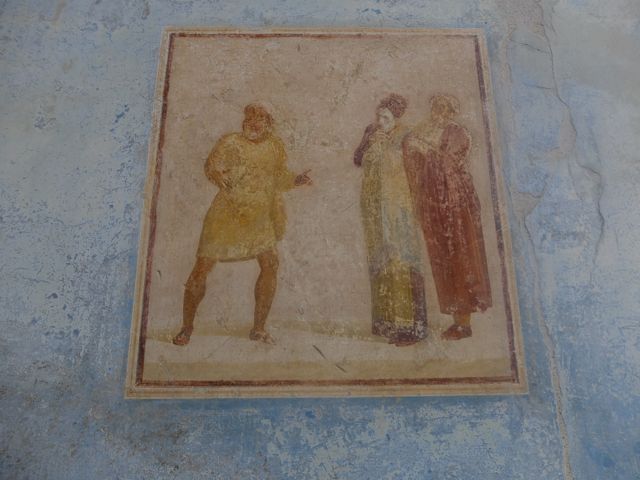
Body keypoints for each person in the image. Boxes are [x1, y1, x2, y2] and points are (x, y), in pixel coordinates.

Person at [172, 103, 312, 346]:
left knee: (270, 263)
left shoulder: (274, 146)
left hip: (259, 219)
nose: (253, 124)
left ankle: (258, 329)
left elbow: (278, 177)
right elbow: (211, 166)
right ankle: (186, 328)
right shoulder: (231, 142)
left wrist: (297, 180)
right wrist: (217, 174)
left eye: (259, 120)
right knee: (202, 267)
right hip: (227, 217)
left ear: (268, 124)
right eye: (249, 119)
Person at [403, 94, 492, 340]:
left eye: (444, 109)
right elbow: (417, 165)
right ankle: (457, 320)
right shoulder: (427, 130)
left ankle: (464, 323)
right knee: (443, 260)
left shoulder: (458, 133)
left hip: (456, 207)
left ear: (452, 112)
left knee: (461, 259)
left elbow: (450, 164)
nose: (438, 113)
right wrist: (412, 149)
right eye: (435, 108)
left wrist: (424, 149)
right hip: (435, 205)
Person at [354, 94, 428, 346]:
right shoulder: (371, 131)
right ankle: (385, 321)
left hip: (399, 206)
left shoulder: (407, 135)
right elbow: (357, 159)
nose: (380, 120)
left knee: (402, 259)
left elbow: (420, 166)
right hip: (374, 206)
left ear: (397, 116)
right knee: (380, 258)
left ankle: (409, 327)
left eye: (385, 117)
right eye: (379, 115)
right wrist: (369, 142)